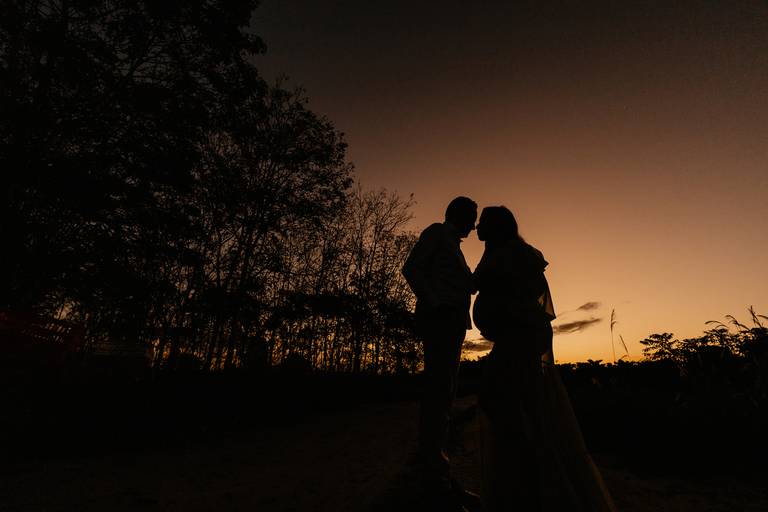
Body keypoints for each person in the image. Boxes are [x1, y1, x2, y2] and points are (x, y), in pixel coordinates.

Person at [472, 206, 616, 512]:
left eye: (482, 222)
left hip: (518, 339)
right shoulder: (504, 253)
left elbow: (512, 291)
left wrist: (509, 314)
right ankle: (522, 483)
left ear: (496, 227)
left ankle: (529, 485)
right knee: (511, 405)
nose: (477, 227)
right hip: (514, 338)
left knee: (510, 404)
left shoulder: (510, 254)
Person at [402, 196, 479, 510]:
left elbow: (468, 285)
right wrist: (436, 304)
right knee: (438, 395)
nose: (474, 226)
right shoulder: (436, 233)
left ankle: (440, 474)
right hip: (440, 321)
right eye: (471, 218)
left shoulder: (455, 248)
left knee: (445, 395)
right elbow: (412, 269)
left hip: (453, 324)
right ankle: (435, 481)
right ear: (458, 215)